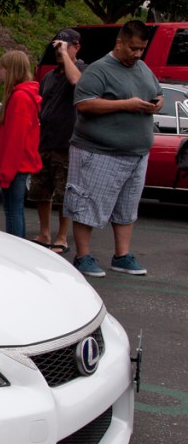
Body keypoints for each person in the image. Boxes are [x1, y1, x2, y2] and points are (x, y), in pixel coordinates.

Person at [66, 20, 163, 278]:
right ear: (119, 43)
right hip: (98, 152)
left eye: (142, 49)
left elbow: (158, 92)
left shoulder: (143, 68)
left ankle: (121, 255)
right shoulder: (99, 70)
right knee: (87, 203)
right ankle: (83, 256)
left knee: (127, 208)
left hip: (136, 154)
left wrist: (157, 103)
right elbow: (84, 104)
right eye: (133, 48)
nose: (138, 54)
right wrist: (125, 105)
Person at [28, 29, 85, 254]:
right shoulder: (50, 76)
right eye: (56, 47)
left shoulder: (82, 69)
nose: (58, 51)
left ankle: (62, 237)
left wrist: (66, 55)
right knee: (41, 190)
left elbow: (76, 82)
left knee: (64, 194)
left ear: (76, 47)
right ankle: (44, 233)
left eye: (64, 46)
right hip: (46, 141)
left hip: (67, 142)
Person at [0, 50, 42, 238]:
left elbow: (16, 139)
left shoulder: (19, 98)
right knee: (14, 211)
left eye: (2, 68)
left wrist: (6, 172)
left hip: (16, 166)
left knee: (13, 212)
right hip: (18, 165)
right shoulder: (21, 95)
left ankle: (16, 252)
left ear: (11, 70)